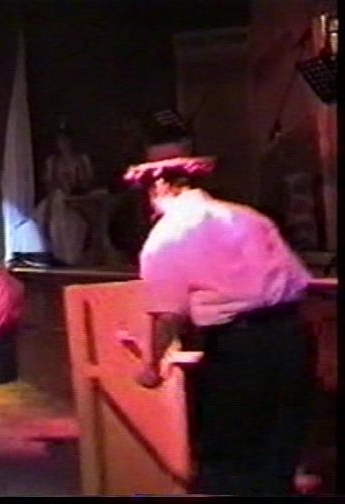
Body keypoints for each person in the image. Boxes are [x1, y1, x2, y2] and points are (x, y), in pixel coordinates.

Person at [124, 148, 314, 495]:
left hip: (239, 350)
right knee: (280, 450)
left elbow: (168, 315)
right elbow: (297, 280)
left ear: (162, 186)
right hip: (292, 336)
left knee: (233, 454)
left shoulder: (167, 237)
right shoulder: (249, 217)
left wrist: (151, 368)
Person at [34, 127, 94, 265]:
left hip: (77, 198)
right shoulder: (53, 161)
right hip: (57, 198)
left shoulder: (81, 159)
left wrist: (74, 185)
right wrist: (60, 186)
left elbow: (87, 181)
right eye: (61, 141)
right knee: (51, 214)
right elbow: (49, 183)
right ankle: (57, 255)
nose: (64, 144)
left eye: (66, 140)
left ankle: (72, 256)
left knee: (75, 224)